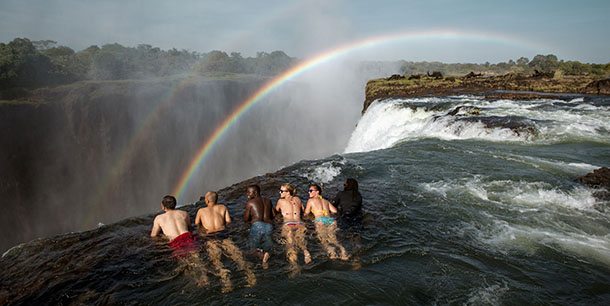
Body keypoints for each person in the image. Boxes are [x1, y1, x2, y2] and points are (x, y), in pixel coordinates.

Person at [195, 191, 256, 292]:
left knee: (216, 260)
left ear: (207, 200)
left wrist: (203, 232)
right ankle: (250, 275)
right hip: (223, 234)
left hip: (210, 236)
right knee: (237, 255)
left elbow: (197, 224)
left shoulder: (201, 211)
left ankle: (227, 282)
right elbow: (228, 222)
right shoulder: (223, 207)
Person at [151, 195, 208, 286]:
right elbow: (189, 227)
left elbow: (153, 235)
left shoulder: (159, 218)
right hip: (188, 236)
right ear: (175, 204)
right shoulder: (184, 213)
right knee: (196, 258)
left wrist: (163, 238)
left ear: (163, 206)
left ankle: (196, 281)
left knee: (185, 262)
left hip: (175, 241)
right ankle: (205, 277)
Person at [304, 184, 349, 260]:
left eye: (311, 191)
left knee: (323, 240)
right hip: (331, 221)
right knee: (334, 239)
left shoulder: (310, 201)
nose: (309, 192)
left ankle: (332, 254)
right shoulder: (326, 201)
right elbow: (334, 211)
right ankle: (343, 251)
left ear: (317, 192)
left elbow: (306, 213)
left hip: (320, 220)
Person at [275, 183, 312, 274]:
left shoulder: (280, 201)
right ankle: (306, 252)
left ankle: (294, 266)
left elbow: (276, 212)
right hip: (299, 223)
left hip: (288, 224)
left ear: (288, 192)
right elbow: (303, 212)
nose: (280, 193)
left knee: (290, 245)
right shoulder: (298, 199)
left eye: (281, 191)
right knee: (301, 241)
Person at [243, 184, 274, 265]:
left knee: (252, 249)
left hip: (257, 225)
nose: (247, 194)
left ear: (255, 192)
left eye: (249, 192)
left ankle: (262, 255)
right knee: (267, 245)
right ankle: (266, 256)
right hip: (269, 226)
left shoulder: (250, 203)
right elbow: (273, 215)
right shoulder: (268, 200)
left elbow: (246, 219)